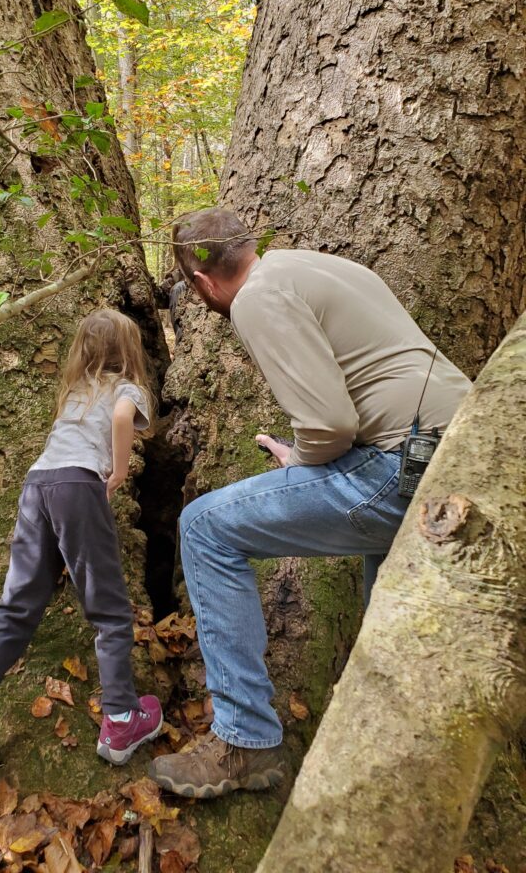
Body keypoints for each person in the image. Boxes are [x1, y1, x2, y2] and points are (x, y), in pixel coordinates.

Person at [148, 208, 471, 799]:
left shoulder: (254, 298)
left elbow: (330, 424)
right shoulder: (314, 266)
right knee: (387, 618)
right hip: (465, 455)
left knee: (203, 527)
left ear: (200, 283)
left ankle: (244, 740)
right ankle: (388, 767)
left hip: (406, 463)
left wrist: (300, 460)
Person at [0, 309, 163, 771]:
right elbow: (124, 417)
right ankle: (122, 718)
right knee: (109, 609)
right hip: (79, 488)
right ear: (130, 352)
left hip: (36, 486)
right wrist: (119, 472)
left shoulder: (75, 392)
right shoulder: (126, 387)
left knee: (16, 605)